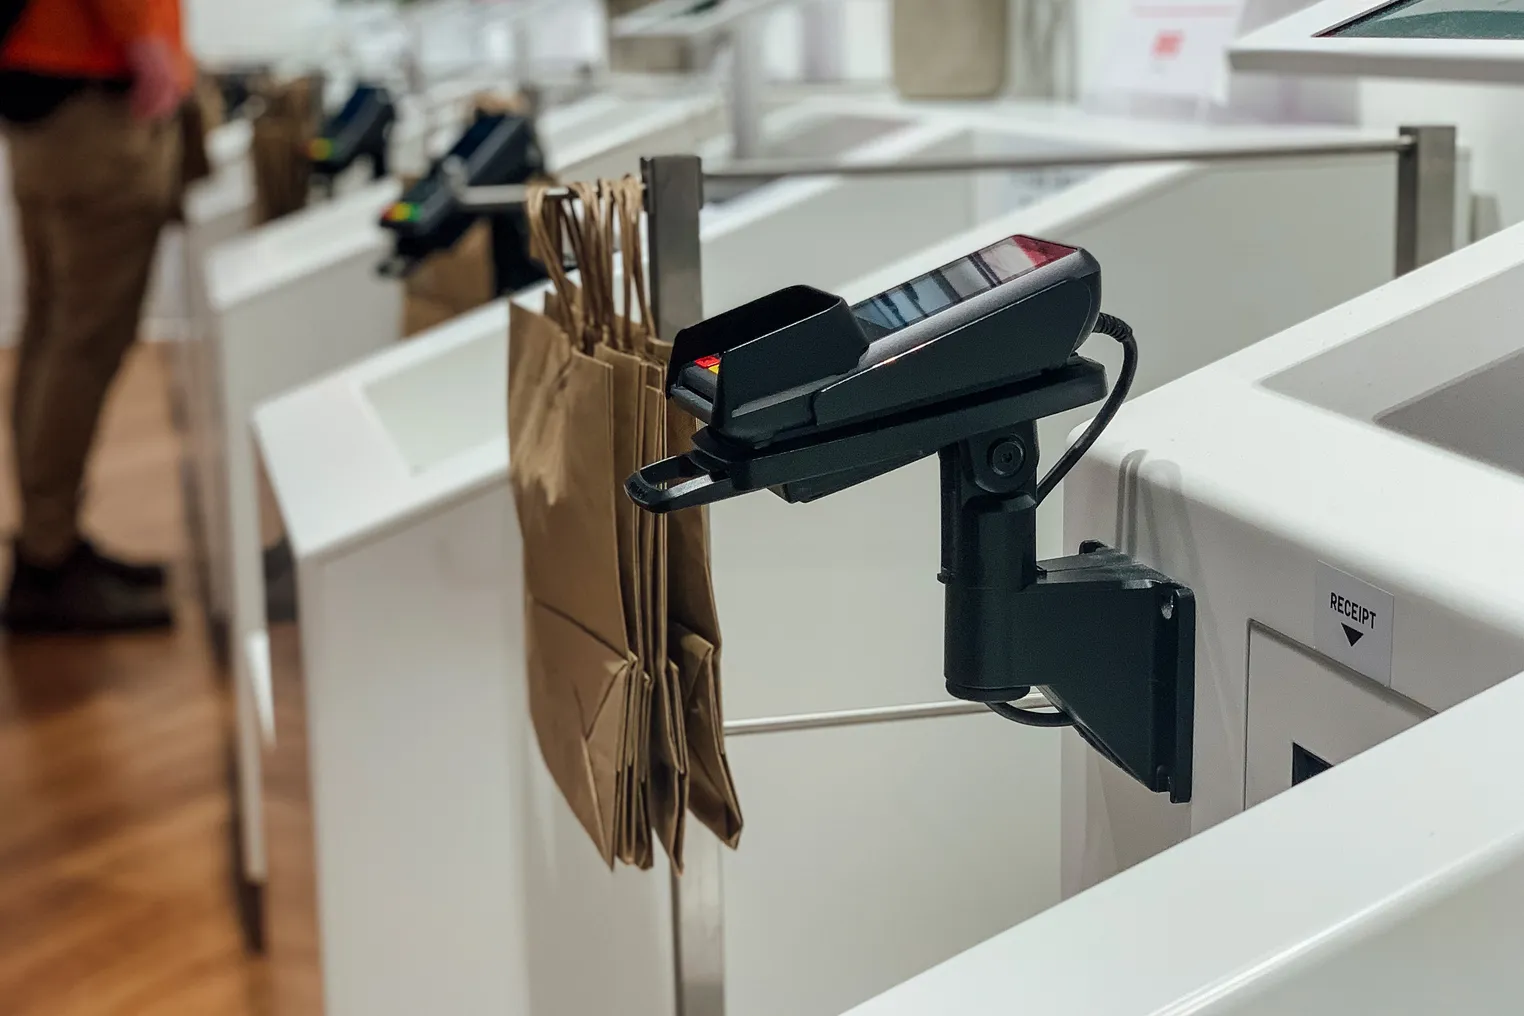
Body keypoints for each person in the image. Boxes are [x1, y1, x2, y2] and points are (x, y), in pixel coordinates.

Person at [0, 0, 191, 632]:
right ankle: (47, 561)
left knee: (52, 333)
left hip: (47, 91)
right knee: (81, 342)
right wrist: (143, 37)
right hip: (95, 97)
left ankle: (47, 540)